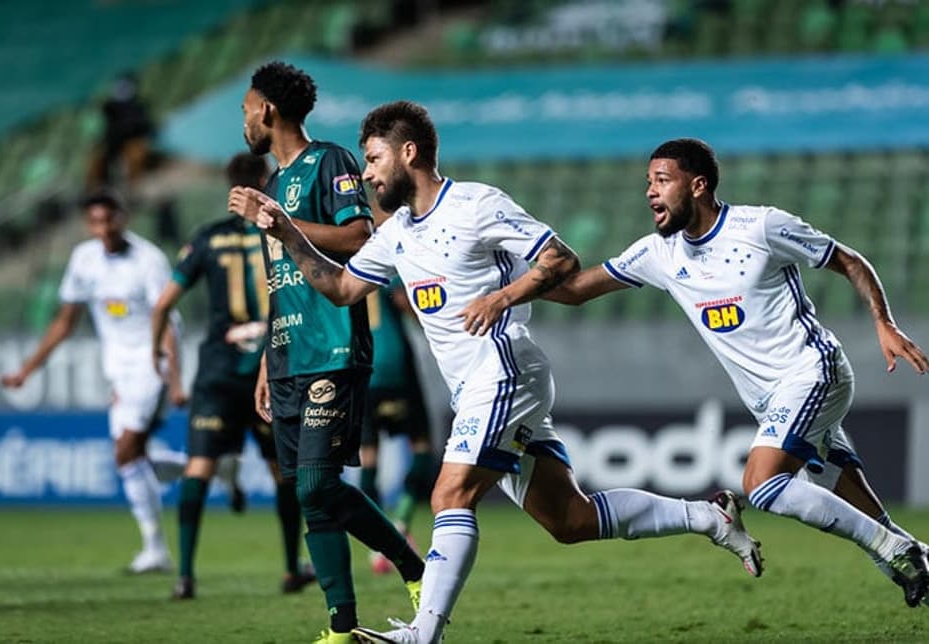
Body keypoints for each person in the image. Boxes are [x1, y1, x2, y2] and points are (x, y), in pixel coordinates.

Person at [233, 100, 766, 644]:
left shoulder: (474, 204)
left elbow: (560, 259)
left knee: (450, 495)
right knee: (569, 520)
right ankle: (709, 517)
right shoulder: (396, 234)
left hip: (505, 366)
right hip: (475, 388)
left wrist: (501, 297)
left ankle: (424, 633)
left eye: (373, 159)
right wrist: (287, 233)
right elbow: (342, 289)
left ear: (408, 153)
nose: (366, 173)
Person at [543, 137, 929, 608]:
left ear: (698, 185)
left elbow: (847, 259)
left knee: (763, 486)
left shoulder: (762, 227)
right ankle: (911, 554)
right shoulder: (658, 254)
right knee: (844, 490)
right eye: (648, 183)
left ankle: (897, 550)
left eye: (662, 181)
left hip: (813, 371)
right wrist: (500, 285)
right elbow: (575, 290)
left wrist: (883, 322)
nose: (650, 192)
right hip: (770, 399)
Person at [226, 62, 424, 644]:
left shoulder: (328, 161)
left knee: (317, 485)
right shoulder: (271, 185)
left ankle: (414, 567)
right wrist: (267, 356)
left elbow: (362, 237)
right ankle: (341, 627)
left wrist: (283, 223)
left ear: (266, 109)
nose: (244, 122)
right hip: (288, 353)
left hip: (333, 346)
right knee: (308, 496)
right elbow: (280, 282)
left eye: (245, 110)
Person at [151, 152, 316, 600]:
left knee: (198, 469)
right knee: (284, 471)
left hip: (218, 371)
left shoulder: (207, 238)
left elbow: (164, 303)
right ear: (265, 183)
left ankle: (184, 575)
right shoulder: (282, 236)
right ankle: (289, 568)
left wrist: (156, 353)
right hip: (272, 364)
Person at [1, 188, 186, 573]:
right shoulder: (84, 258)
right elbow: (65, 321)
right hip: (117, 367)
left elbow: (165, 318)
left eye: (110, 219)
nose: (104, 228)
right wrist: (26, 370)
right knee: (131, 459)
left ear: (123, 217)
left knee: (125, 451)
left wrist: (175, 379)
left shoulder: (148, 259)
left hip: (152, 361)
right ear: (89, 224)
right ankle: (206, 468)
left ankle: (155, 550)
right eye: (96, 221)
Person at [361, 279, 437, 575]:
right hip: (397, 368)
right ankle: (401, 523)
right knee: (422, 449)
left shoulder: (340, 270)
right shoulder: (385, 267)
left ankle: (377, 543)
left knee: (369, 460)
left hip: (363, 369)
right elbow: (407, 303)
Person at [86, 72, 156, 192]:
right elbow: (101, 122)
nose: (122, 90)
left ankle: (133, 187)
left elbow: (147, 127)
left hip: (131, 141)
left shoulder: (139, 106)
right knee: (97, 157)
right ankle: (94, 188)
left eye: (125, 86)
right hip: (112, 141)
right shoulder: (109, 106)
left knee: (136, 153)